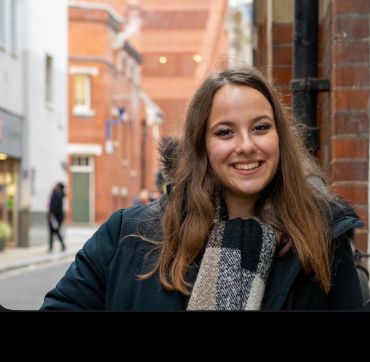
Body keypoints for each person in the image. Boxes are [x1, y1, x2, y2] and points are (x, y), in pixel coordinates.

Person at [41, 67, 364, 310]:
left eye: (261, 128)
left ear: (279, 137)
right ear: (201, 145)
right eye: (225, 132)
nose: (247, 145)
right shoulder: (129, 235)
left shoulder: (322, 237)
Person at [47, 182, 66, 252]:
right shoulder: (55, 194)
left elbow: (55, 206)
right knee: (52, 232)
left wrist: (51, 214)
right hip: (55, 216)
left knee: (55, 231)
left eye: (57, 186)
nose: (55, 186)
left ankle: (62, 245)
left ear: (59, 188)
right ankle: (52, 247)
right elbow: (50, 203)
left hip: (56, 217)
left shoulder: (58, 195)